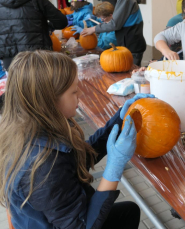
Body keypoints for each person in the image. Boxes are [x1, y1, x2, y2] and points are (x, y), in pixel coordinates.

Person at [0, 50, 155, 228]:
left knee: (129, 211)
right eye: (74, 91)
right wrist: (114, 167)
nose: (80, 94)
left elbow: (77, 159)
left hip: (66, 213)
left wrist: (119, 118)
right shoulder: (43, 167)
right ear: (49, 102)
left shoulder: (36, 126)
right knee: (127, 212)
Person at [0, 0, 67, 70]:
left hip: (9, 59)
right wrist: (48, 26)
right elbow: (62, 22)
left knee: (17, 85)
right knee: (39, 85)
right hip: (36, 57)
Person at [81, 0, 146, 66]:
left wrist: (94, 29)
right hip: (131, 43)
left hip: (132, 45)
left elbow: (115, 24)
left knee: (132, 73)